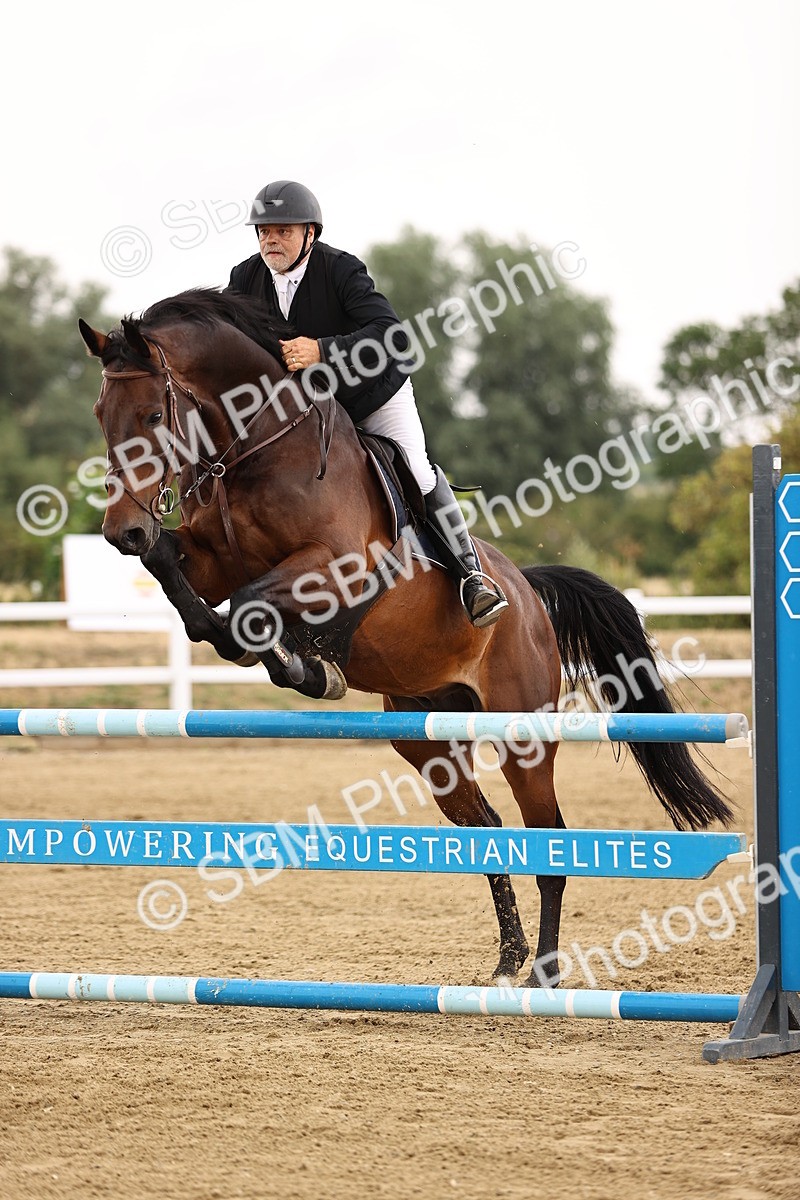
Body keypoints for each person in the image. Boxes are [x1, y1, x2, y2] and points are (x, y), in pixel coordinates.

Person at [228, 179, 508, 627]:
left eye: (282, 230)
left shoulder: (341, 270)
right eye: (263, 231)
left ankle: (471, 576)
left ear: (310, 234)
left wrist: (323, 350)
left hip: (372, 395)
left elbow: (391, 336)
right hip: (311, 410)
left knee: (415, 469)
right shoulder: (245, 279)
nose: (270, 239)